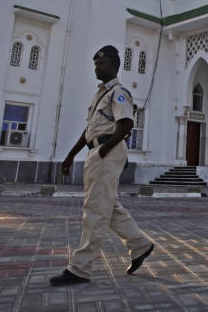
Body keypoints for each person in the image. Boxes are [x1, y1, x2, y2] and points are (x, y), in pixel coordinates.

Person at [50, 45, 155, 286]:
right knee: (108, 205)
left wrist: (105, 151)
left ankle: (80, 267)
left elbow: (126, 123)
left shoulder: (118, 92)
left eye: (102, 63)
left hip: (106, 151)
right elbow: (89, 131)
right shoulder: (100, 94)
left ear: (114, 66)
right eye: (96, 64)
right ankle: (139, 245)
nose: (97, 67)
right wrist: (70, 156)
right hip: (98, 149)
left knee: (95, 209)